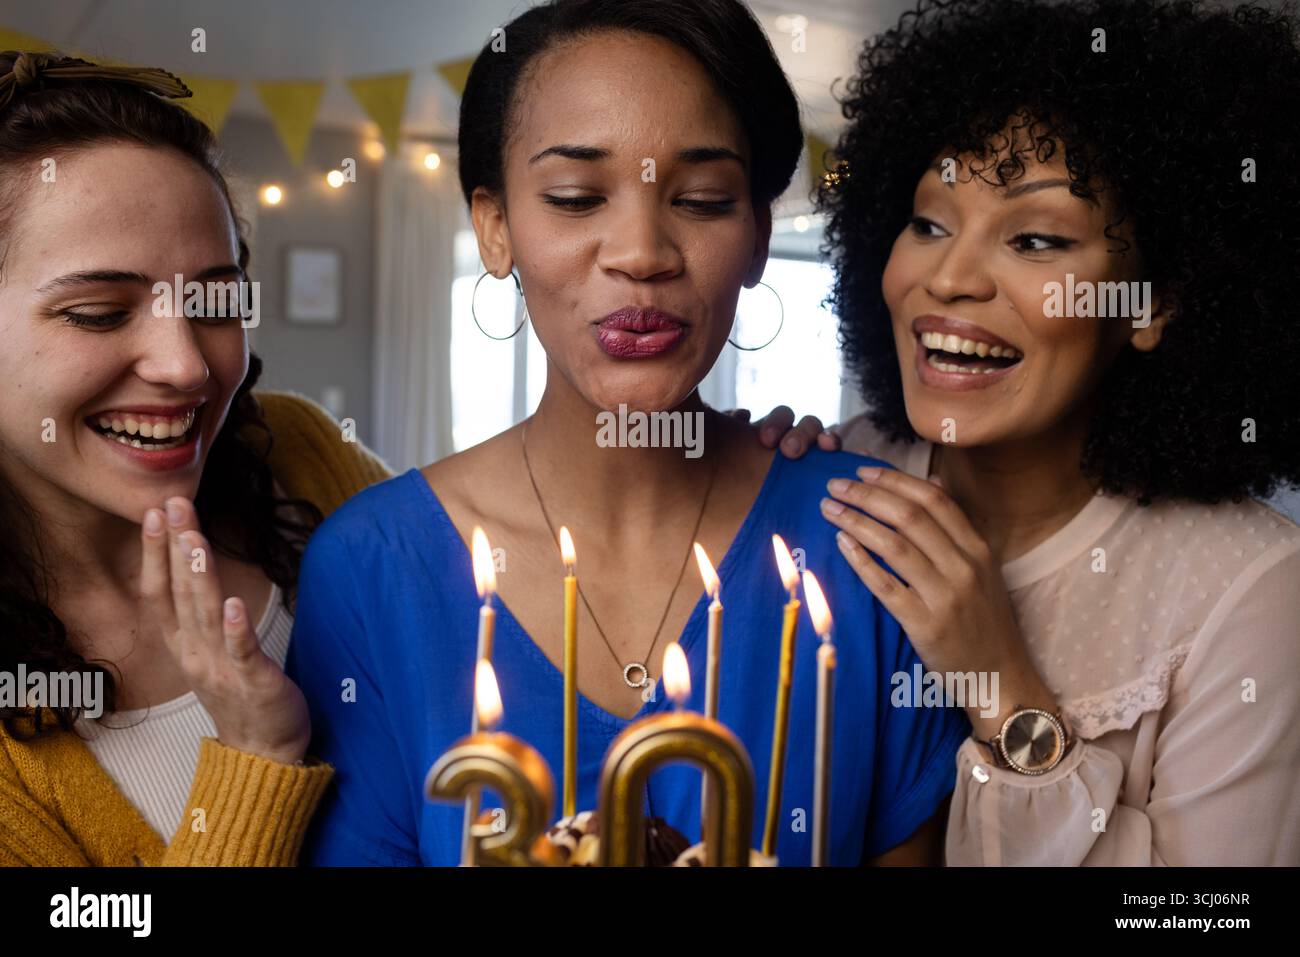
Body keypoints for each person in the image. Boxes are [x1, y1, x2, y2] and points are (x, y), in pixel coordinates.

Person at [287, 0, 968, 867]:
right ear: (495, 226)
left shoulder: (868, 545)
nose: (642, 252)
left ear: (759, 234)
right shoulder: (371, 566)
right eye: (575, 197)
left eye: (703, 199)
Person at [803, 0, 1300, 864]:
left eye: (1033, 239)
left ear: (1151, 303)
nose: (950, 278)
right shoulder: (839, 472)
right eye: (928, 223)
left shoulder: (1253, 592)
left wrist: (1003, 689)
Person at [0, 52, 389, 865]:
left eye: (214, 300)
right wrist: (253, 755)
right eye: (101, 312)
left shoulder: (305, 454)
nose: (186, 364)